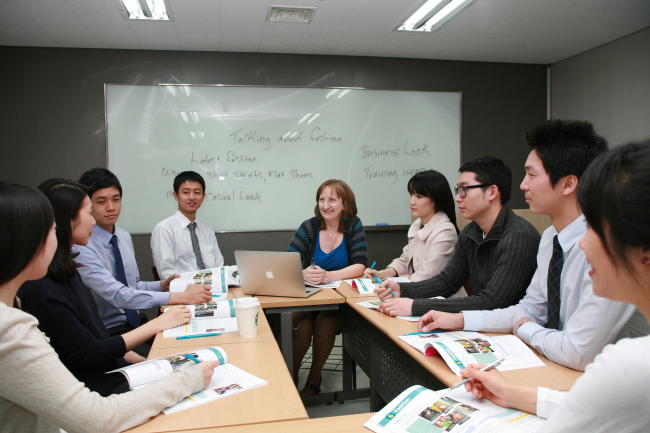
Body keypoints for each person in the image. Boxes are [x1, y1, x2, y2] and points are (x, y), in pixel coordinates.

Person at [417, 120, 648, 371]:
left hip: (613, 381)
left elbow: (578, 350)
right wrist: (460, 320)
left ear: (568, 184)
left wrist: (526, 329)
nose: (522, 185)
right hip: (560, 368)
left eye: (532, 175)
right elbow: (530, 309)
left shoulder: (608, 246)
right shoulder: (551, 237)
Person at [456, 140, 650, 432]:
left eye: (596, 227)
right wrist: (512, 393)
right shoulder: (550, 237)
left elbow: (579, 356)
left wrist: (523, 327)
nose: (584, 242)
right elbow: (588, 405)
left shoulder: (631, 362)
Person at [0, 182, 219, 433]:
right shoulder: (13, 323)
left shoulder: (27, 297)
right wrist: (186, 379)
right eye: (52, 228)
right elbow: (95, 417)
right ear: (26, 239)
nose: (94, 220)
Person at [18, 180, 193, 396]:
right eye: (90, 211)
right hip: (99, 386)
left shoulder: (68, 268)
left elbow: (95, 331)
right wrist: (160, 322)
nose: (93, 221)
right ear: (64, 221)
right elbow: (90, 351)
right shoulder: (41, 286)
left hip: (111, 363)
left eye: (116, 199)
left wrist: (131, 358)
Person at [376, 156, 540, 317]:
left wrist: (416, 306)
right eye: (458, 190)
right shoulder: (471, 232)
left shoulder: (519, 236)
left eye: (464, 190)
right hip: (487, 328)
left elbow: (492, 302)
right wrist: (401, 289)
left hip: (515, 335)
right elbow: (448, 281)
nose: (457, 197)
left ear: (492, 192)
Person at [73, 168, 212, 356]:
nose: (111, 207)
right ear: (87, 205)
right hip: (110, 332)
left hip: (138, 323)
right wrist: (178, 296)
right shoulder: (81, 246)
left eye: (116, 199)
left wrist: (163, 285)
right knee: (171, 361)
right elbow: (119, 295)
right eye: (101, 202)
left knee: (197, 348)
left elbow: (134, 285)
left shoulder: (123, 236)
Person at [288, 179, 368, 395]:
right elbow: (288, 262)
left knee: (325, 322)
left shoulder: (353, 225)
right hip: (309, 296)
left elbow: (360, 265)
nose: (326, 205)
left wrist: (330, 276)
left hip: (340, 299)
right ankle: (292, 376)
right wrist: (303, 273)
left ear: (345, 204)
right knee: (302, 324)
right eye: (322, 199)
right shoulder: (309, 227)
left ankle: (314, 378)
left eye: (332, 199)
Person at [364, 170, 465, 297]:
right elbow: (405, 260)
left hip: (442, 302)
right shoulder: (418, 225)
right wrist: (380, 274)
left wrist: (405, 279)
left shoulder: (446, 231)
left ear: (436, 199)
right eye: (411, 194)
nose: (412, 201)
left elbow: (428, 275)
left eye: (419, 196)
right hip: (416, 295)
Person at [151, 171, 224, 279]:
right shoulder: (164, 229)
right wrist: (201, 284)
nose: (192, 197)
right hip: (182, 292)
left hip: (213, 290)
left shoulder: (207, 231)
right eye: (186, 192)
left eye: (197, 192)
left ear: (203, 197)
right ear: (176, 195)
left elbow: (219, 267)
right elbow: (167, 274)